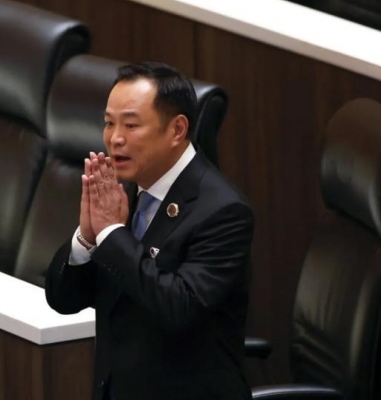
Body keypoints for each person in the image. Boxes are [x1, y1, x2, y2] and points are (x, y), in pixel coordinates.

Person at [45, 62, 254, 400]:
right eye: (109, 123)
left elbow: (179, 308)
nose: (115, 138)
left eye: (131, 125)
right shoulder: (125, 188)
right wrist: (86, 238)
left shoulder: (223, 211)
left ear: (177, 130)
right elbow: (63, 300)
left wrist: (112, 235)